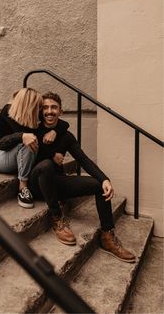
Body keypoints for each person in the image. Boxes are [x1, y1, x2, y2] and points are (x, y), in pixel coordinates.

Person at [28, 91, 136, 263]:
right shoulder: (32, 129)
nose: (49, 111)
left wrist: (105, 179)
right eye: (46, 107)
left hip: (56, 183)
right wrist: (50, 153)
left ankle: (107, 235)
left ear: (60, 111)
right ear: (41, 111)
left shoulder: (65, 135)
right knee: (47, 165)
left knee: (98, 185)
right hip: (36, 184)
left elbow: (83, 159)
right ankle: (57, 218)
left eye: (54, 107)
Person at [0, 88, 69, 209]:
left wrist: (54, 130)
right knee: (27, 141)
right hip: (1, 155)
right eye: (38, 106)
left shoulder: (32, 115)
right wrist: (21, 136)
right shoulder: (8, 111)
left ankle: (57, 184)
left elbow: (64, 123)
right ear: (29, 105)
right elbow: (1, 144)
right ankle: (23, 188)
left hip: (20, 154)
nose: (40, 110)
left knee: (31, 141)